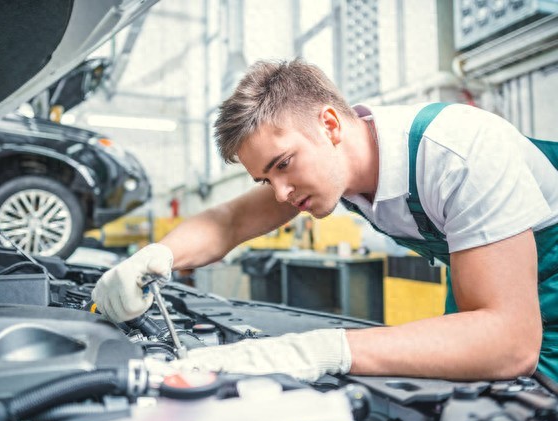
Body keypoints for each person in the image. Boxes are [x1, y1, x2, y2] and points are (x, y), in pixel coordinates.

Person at [92, 58, 558, 383]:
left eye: (282, 164)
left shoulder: (457, 152)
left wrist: (320, 350)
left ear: (331, 125)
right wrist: (155, 257)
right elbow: (229, 222)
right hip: (498, 289)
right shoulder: (331, 166)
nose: (280, 193)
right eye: (264, 180)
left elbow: (510, 342)